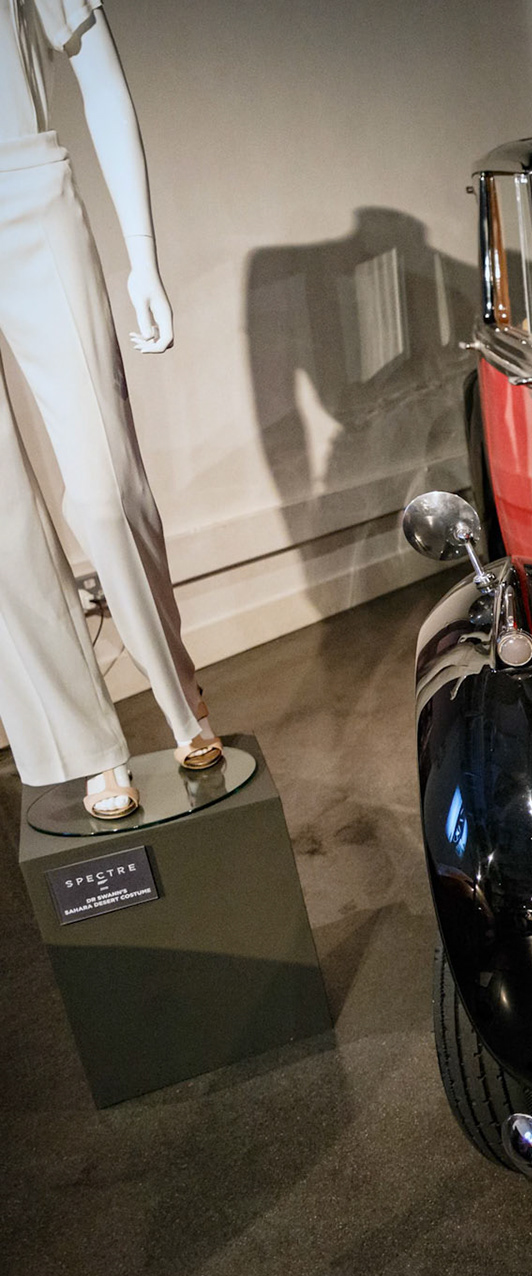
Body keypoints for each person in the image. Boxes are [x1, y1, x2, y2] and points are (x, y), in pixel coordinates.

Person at [0, 0, 219, 820]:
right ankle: (83, 746)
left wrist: (142, 257)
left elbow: (96, 64)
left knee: (102, 484)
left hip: (23, 191)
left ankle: (180, 701)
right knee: (2, 524)